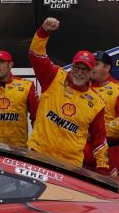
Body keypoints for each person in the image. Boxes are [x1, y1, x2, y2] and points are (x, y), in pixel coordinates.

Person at [27, 18, 109, 172]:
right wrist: (43, 32)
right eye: (77, 67)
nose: (80, 72)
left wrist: (103, 169)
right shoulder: (54, 77)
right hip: (39, 155)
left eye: (85, 69)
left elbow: (100, 140)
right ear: (71, 67)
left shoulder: (97, 103)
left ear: (92, 73)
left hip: (70, 166)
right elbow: (36, 55)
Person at [85, 51, 119, 176]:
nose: (92, 68)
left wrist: (99, 131)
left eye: (96, 64)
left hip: (110, 149)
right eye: (91, 64)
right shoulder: (82, 88)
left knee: (107, 190)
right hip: (83, 147)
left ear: (107, 67)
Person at [0, 49, 38, 149]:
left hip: (17, 148)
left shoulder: (27, 85)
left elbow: (36, 118)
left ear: (10, 64)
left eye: (1, 62)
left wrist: (37, 144)